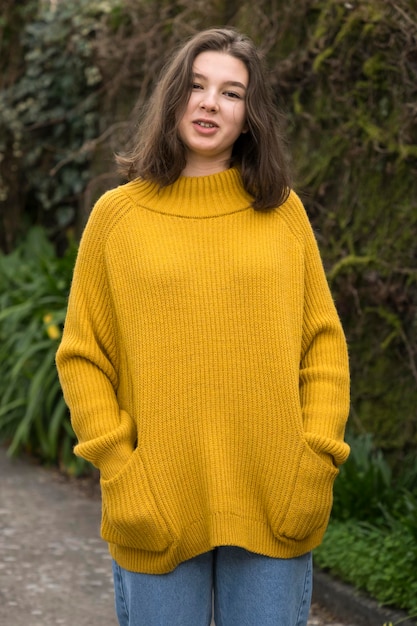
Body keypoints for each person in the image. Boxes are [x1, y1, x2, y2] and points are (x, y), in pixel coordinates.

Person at [56, 27, 350, 626]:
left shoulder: (282, 212)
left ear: (250, 117)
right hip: (156, 502)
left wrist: (316, 460)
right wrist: (120, 469)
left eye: (231, 92)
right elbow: (84, 357)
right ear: (173, 99)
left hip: (274, 501)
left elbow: (322, 345)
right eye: (197, 86)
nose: (210, 103)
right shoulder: (118, 218)